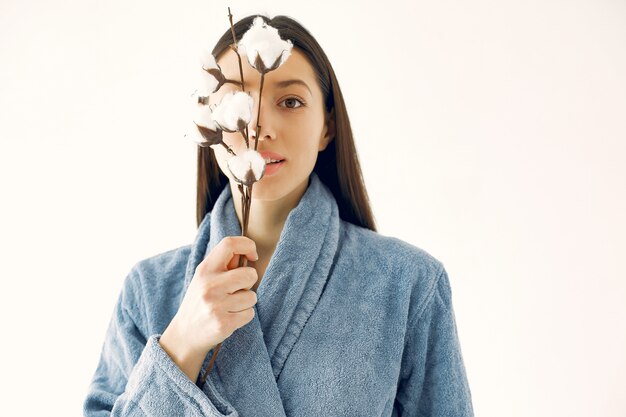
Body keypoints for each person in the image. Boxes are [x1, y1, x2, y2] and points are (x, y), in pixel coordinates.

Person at [83, 13, 474, 417]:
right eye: (237, 99)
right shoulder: (147, 291)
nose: (257, 126)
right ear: (209, 123)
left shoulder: (408, 284)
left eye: (290, 102)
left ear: (327, 127)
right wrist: (181, 343)